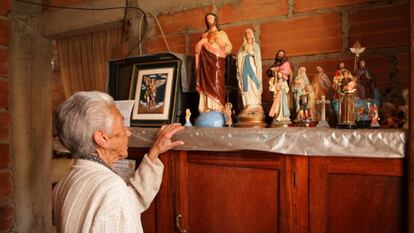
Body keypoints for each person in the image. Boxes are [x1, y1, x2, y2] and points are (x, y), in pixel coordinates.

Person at [53, 91, 184, 233]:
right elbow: (117, 200)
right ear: (102, 138)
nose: (128, 133)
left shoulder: (64, 182)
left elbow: (129, 201)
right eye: (122, 124)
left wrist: (154, 153)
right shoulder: (112, 189)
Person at [195, 13, 232, 113]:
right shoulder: (204, 35)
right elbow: (197, 50)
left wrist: (220, 43)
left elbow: (229, 48)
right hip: (205, 62)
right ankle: (207, 107)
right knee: (206, 82)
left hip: (217, 61)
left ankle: (217, 107)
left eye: (211, 18)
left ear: (216, 20)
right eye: (207, 19)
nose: (209, 20)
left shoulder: (222, 33)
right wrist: (201, 42)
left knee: (217, 81)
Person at [236, 28, 263, 112]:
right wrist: (244, 52)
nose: (248, 33)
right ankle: (248, 104)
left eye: (249, 32)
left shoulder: (255, 45)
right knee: (246, 83)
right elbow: (239, 56)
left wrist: (250, 52)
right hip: (244, 65)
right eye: (246, 32)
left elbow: (257, 57)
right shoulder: (242, 46)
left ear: (252, 34)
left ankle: (257, 103)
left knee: (254, 82)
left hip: (252, 64)